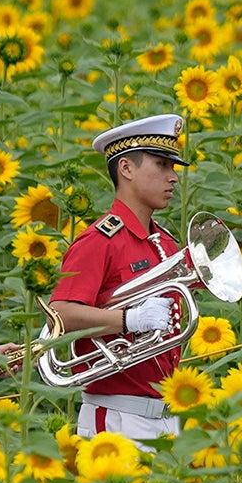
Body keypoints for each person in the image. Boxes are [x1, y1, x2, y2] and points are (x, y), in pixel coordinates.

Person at [45, 114, 193, 440]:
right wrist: (130, 319)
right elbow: (60, 313)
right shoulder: (99, 241)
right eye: (162, 165)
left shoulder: (166, 243)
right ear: (126, 169)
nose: (173, 178)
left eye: (173, 168)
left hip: (167, 415)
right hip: (116, 417)